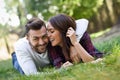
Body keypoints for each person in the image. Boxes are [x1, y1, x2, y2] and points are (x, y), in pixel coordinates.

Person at [11, 17, 89, 75]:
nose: (41, 42)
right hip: (22, 57)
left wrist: (73, 45)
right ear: (27, 38)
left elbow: (83, 22)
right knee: (23, 72)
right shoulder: (21, 47)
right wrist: (59, 71)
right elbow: (33, 76)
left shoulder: (52, 38)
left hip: (48, 62)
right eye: (35, 39)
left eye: (44, 36)